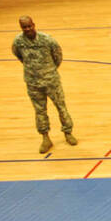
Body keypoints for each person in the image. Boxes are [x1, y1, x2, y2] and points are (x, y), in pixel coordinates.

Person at [12, 16, 76, 153]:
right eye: (24, 27)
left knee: (61, 107)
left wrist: (49, 70)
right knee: (40, 111)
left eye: (29, 26)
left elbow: (58, 56)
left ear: (34, 24)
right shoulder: (18, 42)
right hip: (33, 83)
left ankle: (68, 133)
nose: (28, 29)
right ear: (21, 28)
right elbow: (19, 56)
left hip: (51, 81)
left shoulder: (47, 40)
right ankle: (45, 138)